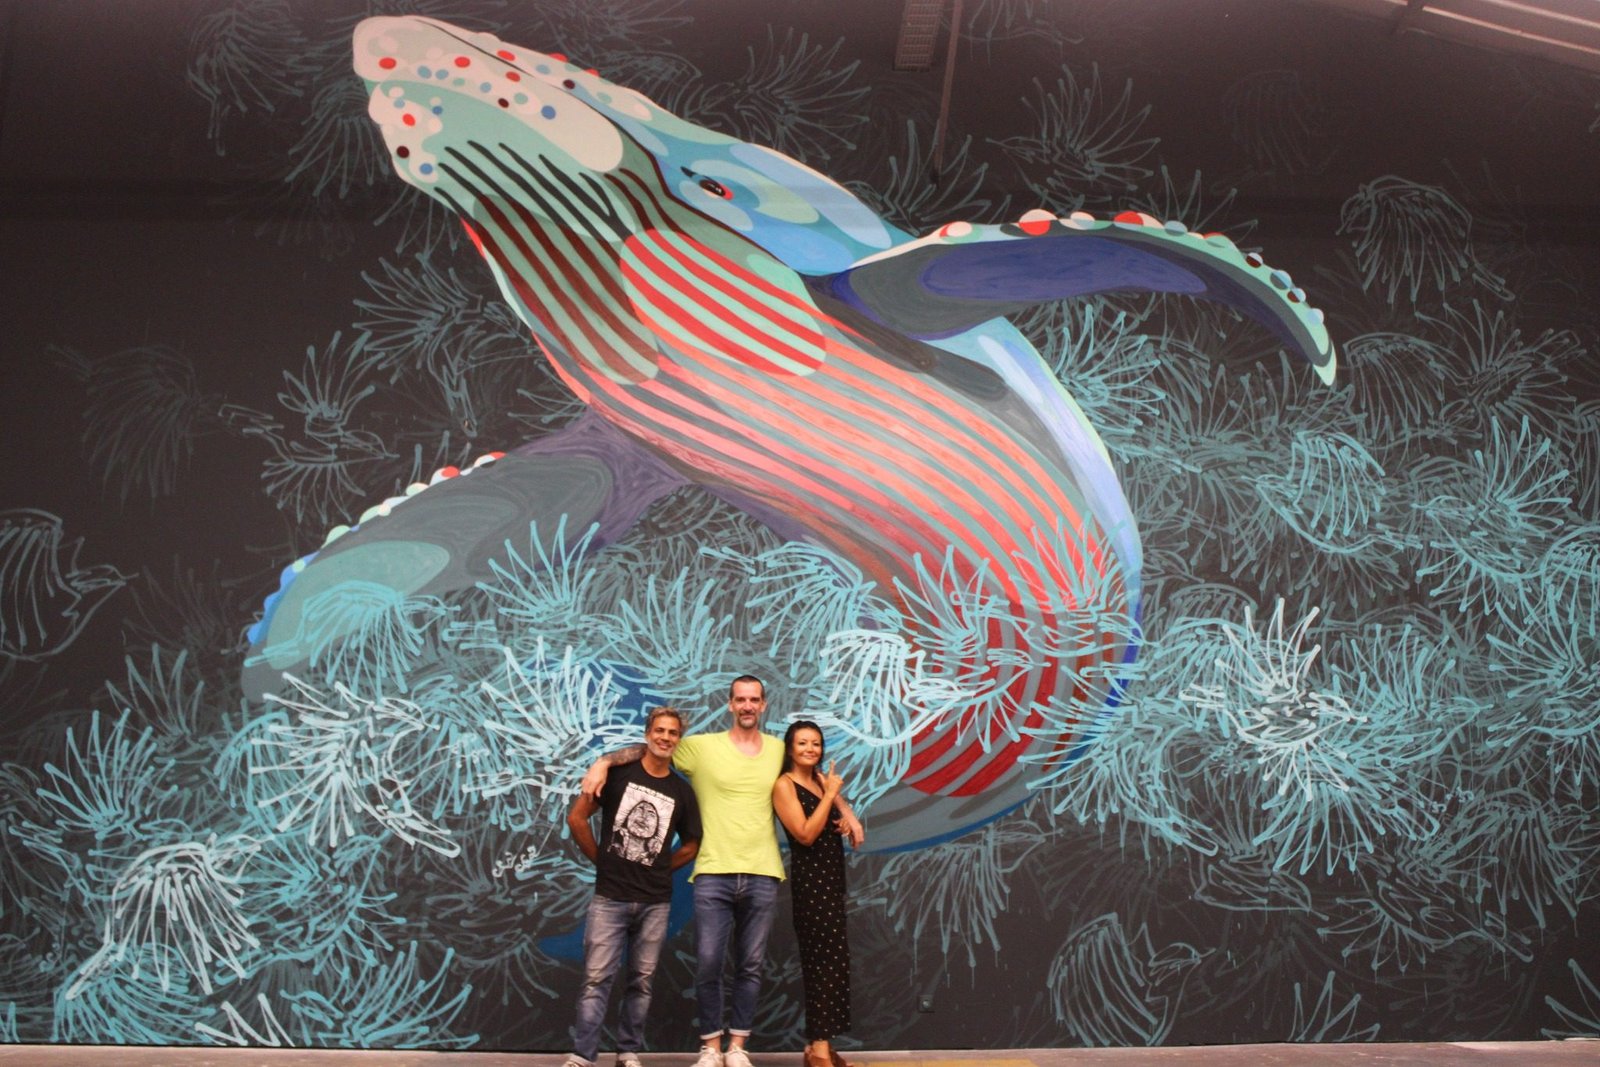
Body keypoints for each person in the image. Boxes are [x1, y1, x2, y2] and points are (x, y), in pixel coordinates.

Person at [582, 676, 864, 1067]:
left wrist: (848, 812)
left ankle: (737, 1048)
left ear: (763, 705)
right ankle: (711, 1049)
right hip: (713, 871)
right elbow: (654, 749)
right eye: (740, 699)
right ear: (730, 704)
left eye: (754, 699)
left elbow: (814, 774)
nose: (747, 705)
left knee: (750, 966)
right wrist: (604, 762)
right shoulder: (701, 747)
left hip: (762, 873)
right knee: (710, 963)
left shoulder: (778, 750)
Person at [565, 706, 702, 1067]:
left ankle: (627, 1052)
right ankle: (583, 1055)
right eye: (660, 730)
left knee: (641, 981)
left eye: (672, 733)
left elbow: (692, 844)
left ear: (679, 739)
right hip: (610, 897)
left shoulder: (681, 791)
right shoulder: (618, 775)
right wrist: (602, 861)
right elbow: (577, 818)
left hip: (655, 901)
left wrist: (659, 867)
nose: (665, 738)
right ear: (647, 734)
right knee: (596, 979)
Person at [772, 722, 858, 1067]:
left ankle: (818, 1044)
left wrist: (844, 818)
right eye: (803, 743)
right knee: (822, 962)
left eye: (816, 744)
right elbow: (805, 833)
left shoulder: (821, 781)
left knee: (835, 961)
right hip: (811, 885)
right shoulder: (784, 785)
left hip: (832, 881)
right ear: (790, 749)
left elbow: (828, 823)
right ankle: (819, 1050)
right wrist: (829, 796)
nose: (810, 749)